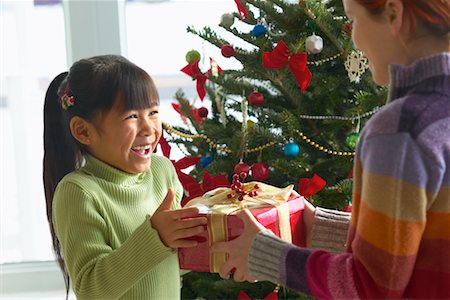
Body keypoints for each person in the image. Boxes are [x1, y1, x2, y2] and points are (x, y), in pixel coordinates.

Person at [212, 0, 450, 298]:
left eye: (355, 20)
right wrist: (318, 227)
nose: (356, 41)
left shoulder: (403, 129)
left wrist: (265, 255)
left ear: (394, 13)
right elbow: (425, 241)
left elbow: (369, 288)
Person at [43, 55, 207, 299]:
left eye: (152, 112)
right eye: (131, 116)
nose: (149, 128)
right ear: (83, 131)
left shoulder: (162, 172)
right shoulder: (78, 192)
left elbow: (175, 264)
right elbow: (90, 289)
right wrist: (156, 237)